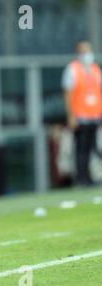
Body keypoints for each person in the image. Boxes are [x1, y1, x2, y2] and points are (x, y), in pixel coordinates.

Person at [62, 41, 102, 186]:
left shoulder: (95, 69)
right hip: (81, 116)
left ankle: (90, 177)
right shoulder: (72, 69)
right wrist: (71, 115)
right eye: (84, 51)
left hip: (95, 115)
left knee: (94, 148)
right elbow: (68, 94)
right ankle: (82, 178)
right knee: (81, 149)